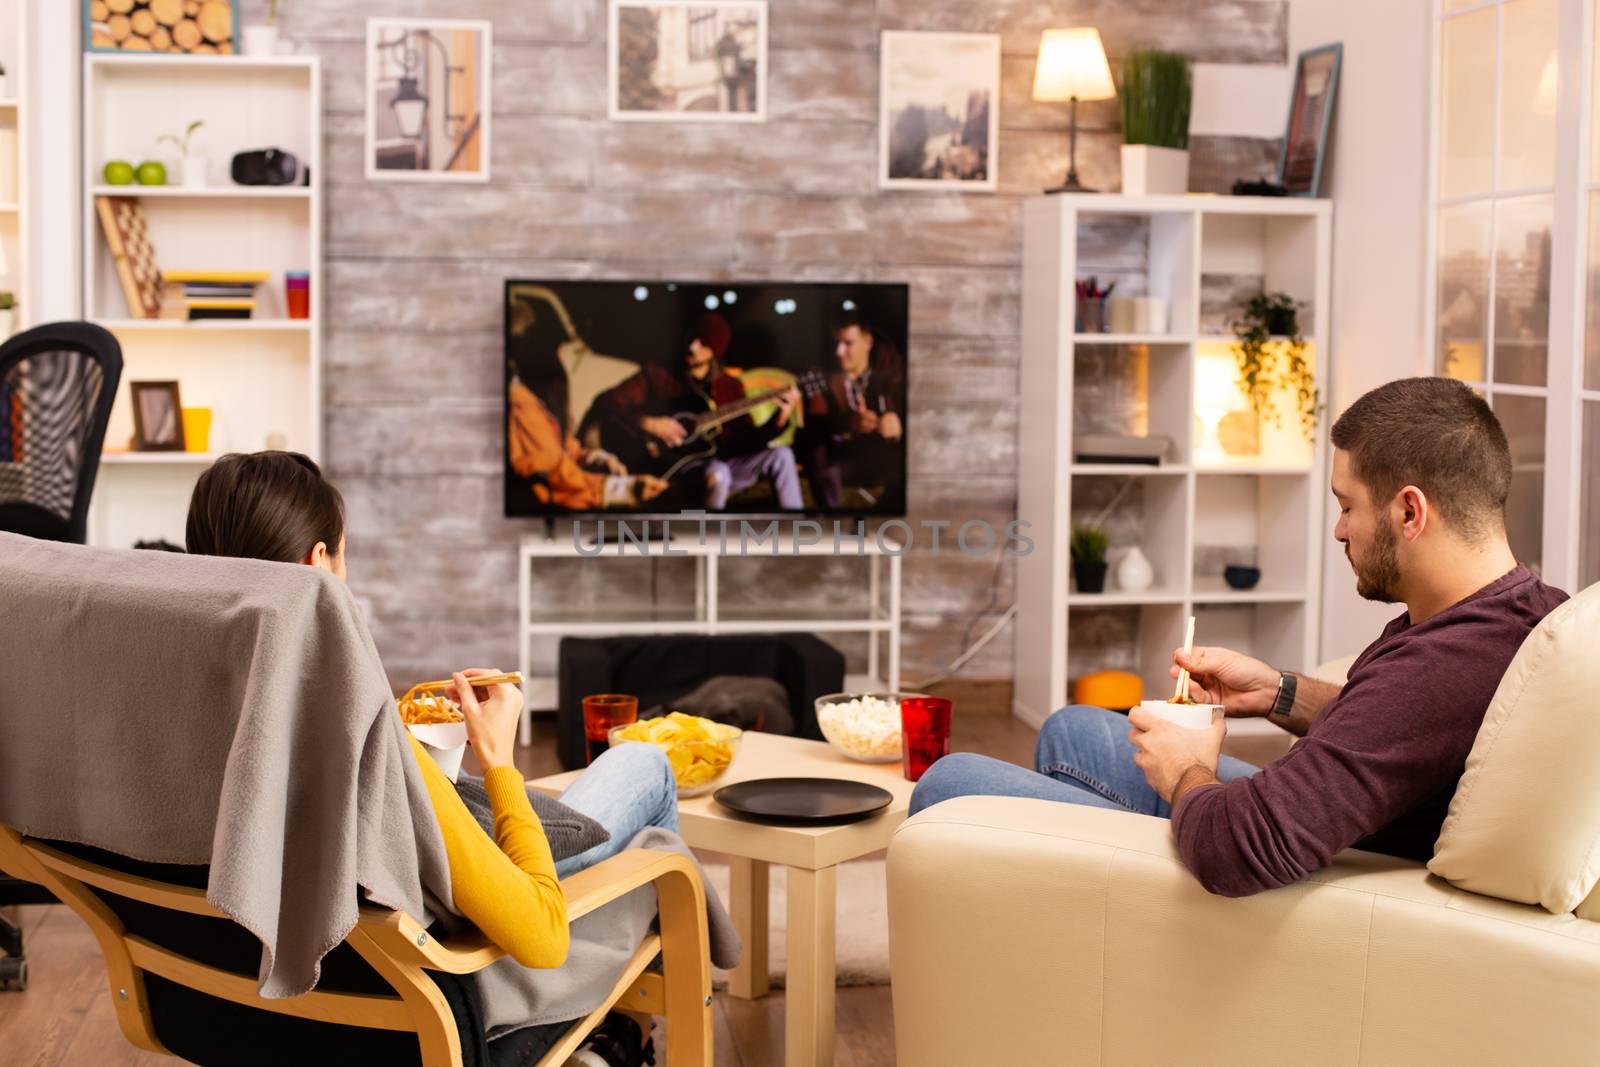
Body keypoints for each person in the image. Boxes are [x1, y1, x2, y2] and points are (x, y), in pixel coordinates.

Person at [910, 377, 1568, 896]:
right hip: (1336, 827)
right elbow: (1403, 744)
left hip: (1275, 871)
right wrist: (1281, 692)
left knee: (948, 783)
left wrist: (1182, 772)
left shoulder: (1437, 669)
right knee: (1074, 729)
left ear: (1409, 510)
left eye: (1347, 507)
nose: (1339, 531)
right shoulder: (1521, 611)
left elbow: (1241, 848)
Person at [184, 451, 682, 968]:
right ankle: (643, 1010)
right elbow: (543, 936)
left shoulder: (179, 709)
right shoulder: (358, 730)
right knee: (645, 765)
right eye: (344, 557)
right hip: (444, 980)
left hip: (231, 988)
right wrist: (497, 759)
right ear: (317, 564)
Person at [591, 311, 803, 510]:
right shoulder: (659, 375)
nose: (692, 346)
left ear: (714, 351)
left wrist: (780, 417)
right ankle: (706, 543)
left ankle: (797, 536)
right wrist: (647, 423)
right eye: (692, 337)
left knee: (782, 455)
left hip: (724, 465)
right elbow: (606, 401)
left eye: (703, 342)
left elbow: (746, 442)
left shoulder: (730, 386)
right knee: (718, 474)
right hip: (675, 469)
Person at [801, 312, 905, 511]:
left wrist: (897, 427)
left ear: (867, 342)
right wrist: (850, 423)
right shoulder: (822, 380)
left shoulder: (888, 379)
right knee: (822, 461)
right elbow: (814, 428)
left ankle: (878, 521)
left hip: (882, 457)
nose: (839, 351)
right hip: (841, 460)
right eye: (837, 344)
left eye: (848, 343)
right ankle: (832, 523)